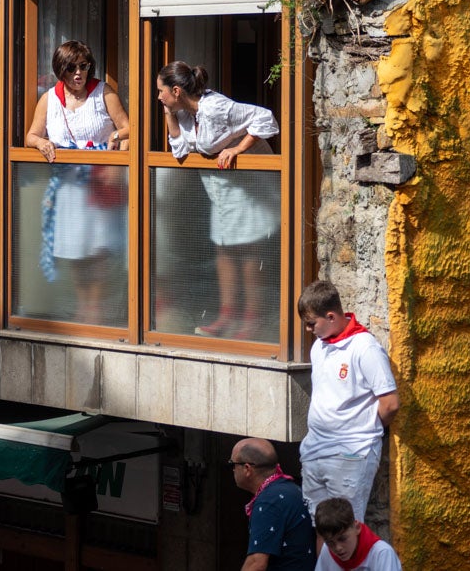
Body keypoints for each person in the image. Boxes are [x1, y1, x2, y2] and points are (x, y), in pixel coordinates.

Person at [157, 60, 280, 340]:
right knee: (224, 251)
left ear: (176, 91)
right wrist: (169, 113)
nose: (158, 96)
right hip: (221, 188)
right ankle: (228, 314)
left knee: (248, 252)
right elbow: (179, 149)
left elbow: (264, 118)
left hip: (249, 184)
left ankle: (253, 317)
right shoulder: (185, 113)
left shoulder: (216, 107)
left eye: (161, 91)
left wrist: (237, 148)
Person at [24, 41, 130, 324]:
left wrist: (118, 151)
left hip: (99, 180)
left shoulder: (104, 93)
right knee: (75, 250)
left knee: (99, 251)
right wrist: (42, 143)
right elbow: (30, 135)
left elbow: (128, 127)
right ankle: (83, 307)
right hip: (70, 185)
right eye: (72, 67)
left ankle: (95, 310)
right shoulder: (49, 99)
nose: (79, 73)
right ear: (60, 69)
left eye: (84, 66)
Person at [298, 280, 399, 523]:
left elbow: (390, 403)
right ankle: (323, 564)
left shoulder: (365, 348)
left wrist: (364, 429)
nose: (309, 330)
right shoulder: (319, 347)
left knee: (344, 529)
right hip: (315, 450)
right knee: (320, 525)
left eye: (312, 323)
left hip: (351, 453)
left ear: (331, 316)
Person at [229, 437, 316, 571]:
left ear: (247, 468)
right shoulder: (291, 488)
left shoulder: (268, 502)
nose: (233, 470)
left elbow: (256, 563)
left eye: (232, 464)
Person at [313, 497, 401, 570]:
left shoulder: (382, 554)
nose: (338, 548)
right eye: (330, 543)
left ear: (357, 527)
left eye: (342, 539)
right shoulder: (327, 551)